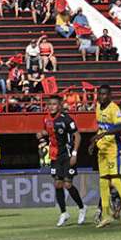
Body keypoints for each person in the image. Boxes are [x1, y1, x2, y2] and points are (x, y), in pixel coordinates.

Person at [89, 85, 121, 228]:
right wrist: (95, 141)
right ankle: (106, 215)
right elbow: (101, 127)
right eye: (99, 94)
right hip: (102, 148)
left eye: (104, 94)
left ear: (110, 95)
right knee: (103, 182)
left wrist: (103, 134)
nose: (101, 97)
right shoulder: (97, 106)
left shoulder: (114, 109)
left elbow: (120, 127)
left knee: (115, 181)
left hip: (114, 149)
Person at [40, 95, 87, 227]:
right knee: (57, 184)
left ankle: (82, 208)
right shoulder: (46, 118)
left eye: (54, 104)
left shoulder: (66, 119)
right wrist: (42, 134)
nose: (51, 106)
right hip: (55, 155)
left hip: (67, 155)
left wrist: (74, 153)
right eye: (49, 104)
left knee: (68, 184)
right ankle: (63, 213)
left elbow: (77, 136)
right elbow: (48, 131)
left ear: (59, 105)